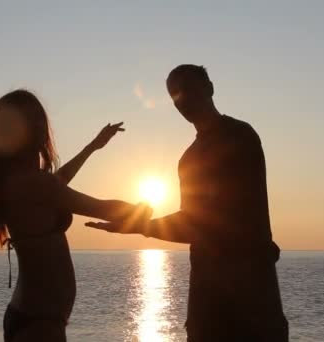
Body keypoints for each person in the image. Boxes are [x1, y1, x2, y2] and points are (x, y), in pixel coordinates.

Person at [87, 64, 289, 341]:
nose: (181, 100)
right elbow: (192, 222)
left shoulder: (240, 137)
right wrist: (137, 225)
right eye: (174, 95)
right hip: (209, 293)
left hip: (251, 292)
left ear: (209, 88)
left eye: (187, 90)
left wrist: (138, 225)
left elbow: (205, 223)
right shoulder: (189, 158)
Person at [0, 89, 150, 342]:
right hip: (40, 323)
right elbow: (98, 207)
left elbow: (57, 182)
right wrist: (143, 210)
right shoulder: (35, 184)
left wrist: (92, 147)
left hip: (31, 315)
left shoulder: (15, 181)